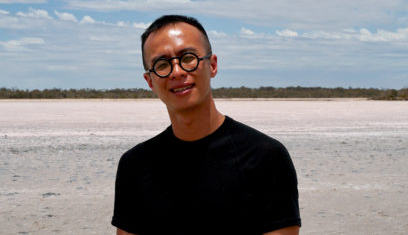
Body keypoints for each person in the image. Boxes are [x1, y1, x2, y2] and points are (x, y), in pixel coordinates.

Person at [112, 15, 301, 235]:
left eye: (188, 58)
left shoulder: (265, 157)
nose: (177, 72)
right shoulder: (134, 166)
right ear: (150, 81)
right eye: (162, 64)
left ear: (212, 65)